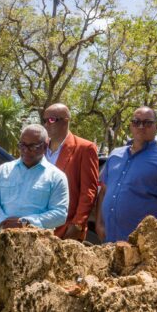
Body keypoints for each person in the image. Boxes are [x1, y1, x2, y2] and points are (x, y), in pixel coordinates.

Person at [95, 107, 157, 242]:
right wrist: (99, 224)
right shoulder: (115, 155)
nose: (141, 126)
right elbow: (103, 192)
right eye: (136, 122)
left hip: (142, 248)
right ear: (131, 125)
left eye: (147, 123)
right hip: (109, 240)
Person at [0, 124, 69, 231]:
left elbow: (60, 214)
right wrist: (4, 221)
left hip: (38, 242)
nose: (26, 150)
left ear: (45, 146)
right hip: (5, 238)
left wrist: (25, 222)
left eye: (33, 147)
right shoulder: (4, 170)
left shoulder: (56, 177)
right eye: (22, 145)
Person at [42, 103, 99, 241]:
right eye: (44, 120)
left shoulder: (85, 148)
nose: (46, 125)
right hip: (38, 228)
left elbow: (88, 191)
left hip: (66, 230)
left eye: (51, 120)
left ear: (65, 121)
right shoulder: (40, 149)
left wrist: (77, 225)